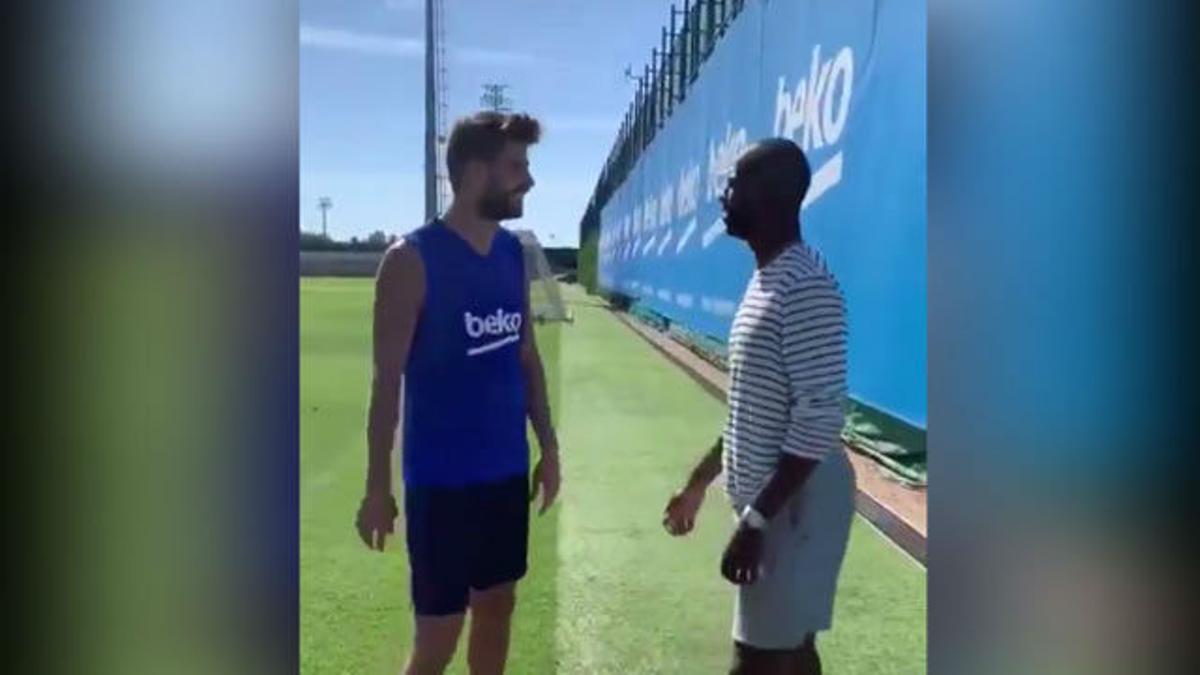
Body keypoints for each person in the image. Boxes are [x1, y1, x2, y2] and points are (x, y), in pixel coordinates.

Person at [355, 111, 561, 675]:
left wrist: (549, 449)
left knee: (497, 609)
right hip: (441, 485)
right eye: (516, 166)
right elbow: (385, 382)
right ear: (475, 173)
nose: (529, 180)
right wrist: (378, 488)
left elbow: (525, 356)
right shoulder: (410, 260)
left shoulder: (512, 256)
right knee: (438, 640)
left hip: (505, 476)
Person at [663, 138, 855, 675]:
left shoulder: (806, 286)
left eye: (735, 185)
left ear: (767, 197)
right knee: (791, 652)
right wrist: (700, 482)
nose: (724, 196)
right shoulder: (767, 280)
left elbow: (817, 421)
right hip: (782, 507)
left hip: (799, 507)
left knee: (757, 659)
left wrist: (755, 522)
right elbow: (751, 411)